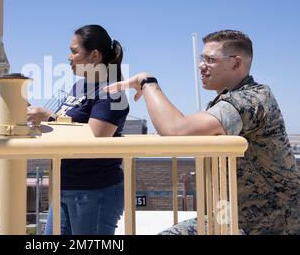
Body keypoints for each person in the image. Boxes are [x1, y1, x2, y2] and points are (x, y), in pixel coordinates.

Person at [105, 30, 300, 235]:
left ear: (236, 63)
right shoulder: (228, 100)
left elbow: (176, 130)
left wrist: (147, 82)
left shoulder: (252, 100)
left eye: (210, 59)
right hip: (232, 218)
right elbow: (184, 126)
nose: (201, 65)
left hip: (275, 225)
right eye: (202, 59)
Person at [28, 25, 130, 235]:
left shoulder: (113, 91)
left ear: (94, 56)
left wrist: (48, 116)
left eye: (74, 51)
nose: (69, 57)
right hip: (66, 186)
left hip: (94, 191)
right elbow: (63, 127)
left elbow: (95, 137)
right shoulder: (79, 87)